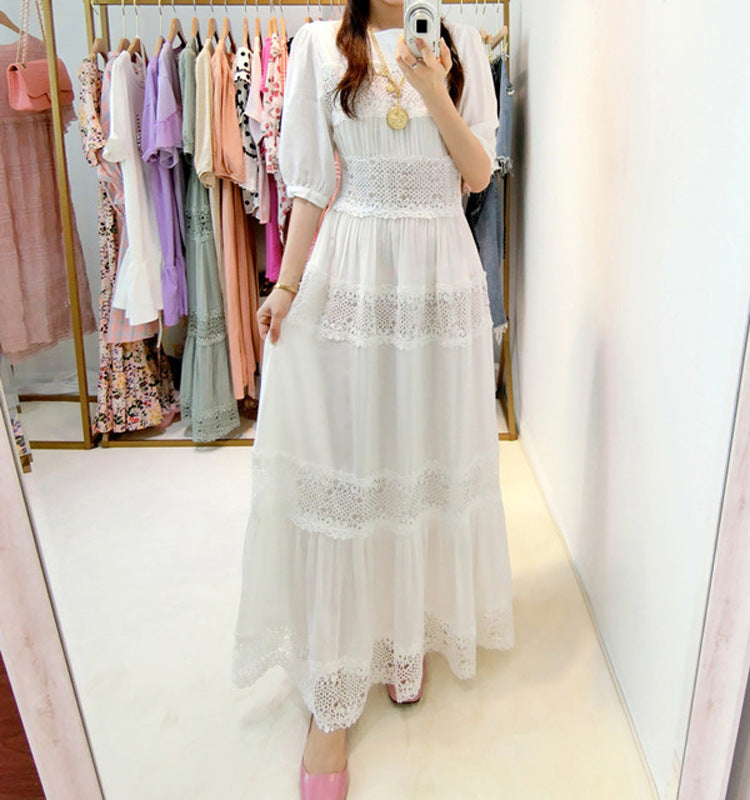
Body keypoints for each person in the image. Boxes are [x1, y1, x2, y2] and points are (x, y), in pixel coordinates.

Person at [232, 2, 515, 797]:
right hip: (355, 272)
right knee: (350, 470)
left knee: (421, 459)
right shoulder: (318, 46)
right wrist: (287, 286)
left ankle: (402, 638)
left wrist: (432, 90)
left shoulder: (461, 40)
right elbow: (311, 188)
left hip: (439, 277)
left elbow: (477, 173)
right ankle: (330, 697)